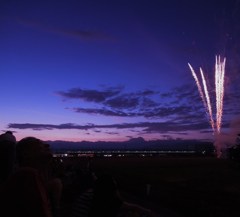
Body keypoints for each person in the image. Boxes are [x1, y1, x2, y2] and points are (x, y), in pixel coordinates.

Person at [0, 136, 62, 217]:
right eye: (38, 143)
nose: (47, 145)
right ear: (26, 154)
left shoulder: (28, 175)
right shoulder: (27, 175)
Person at [71, 172, 155, 217]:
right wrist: (149, 212)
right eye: (114, 184)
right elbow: (131, 206)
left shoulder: (90, 192)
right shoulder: (104, 197)